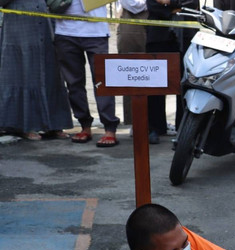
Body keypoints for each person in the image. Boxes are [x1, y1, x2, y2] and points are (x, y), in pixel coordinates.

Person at [0, 0, 72, 140]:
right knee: (25, 71)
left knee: (50, 70)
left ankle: (54, 125)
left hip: (44, 22)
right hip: (19, 25)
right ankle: (24, 125)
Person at [54, 0, 121, 147]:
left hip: (96, 31)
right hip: (65, 31)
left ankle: (110, 128)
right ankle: (84, 125)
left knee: (102, 82)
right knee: (73, 83)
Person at [145, 0, 198, 144]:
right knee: (156, 83)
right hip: (158, 36)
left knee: (185, 84)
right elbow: (153, 6)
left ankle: (183, 128)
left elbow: (191, 4)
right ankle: (155, 127)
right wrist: (174, 7)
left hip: (186, 36)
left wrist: (169, 2)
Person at [116, 0, 148, 126]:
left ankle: (156, 122)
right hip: (129, 26)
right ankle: (134, 122)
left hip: (152, 24)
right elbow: (134, 5)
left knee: (155, 75)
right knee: (130, 74)